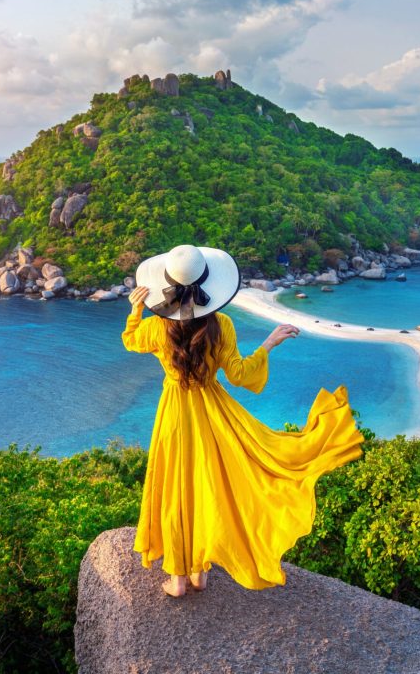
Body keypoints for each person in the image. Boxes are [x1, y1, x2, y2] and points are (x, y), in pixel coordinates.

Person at [122, 244, 364, 597]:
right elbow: (238, 375)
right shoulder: (221, 325)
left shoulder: (158, 329)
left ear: (167, 285)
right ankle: (200, 572)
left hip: (174, 413)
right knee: (209, 485)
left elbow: (130, 340)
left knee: (177, 487)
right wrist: (268, 344)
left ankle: (177, 578)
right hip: (213, 413)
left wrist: (135, 309)